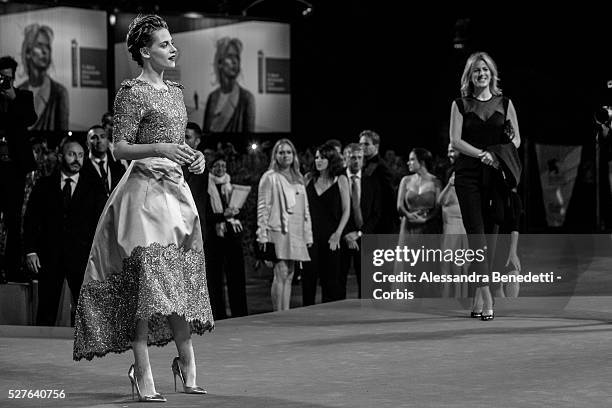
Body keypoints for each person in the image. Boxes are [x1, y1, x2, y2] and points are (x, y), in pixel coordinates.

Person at [72, 15, 213, 402]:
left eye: (172, 42)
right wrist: (161, 149)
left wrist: (193, 158)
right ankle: (142, 370)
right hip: (144, 195)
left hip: (176, 194)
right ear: (145, 51)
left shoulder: (175, 91)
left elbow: (177, 146)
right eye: (165, 43)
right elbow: (119, 148)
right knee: (146, 284)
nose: (173, 48)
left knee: (177, 281)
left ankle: (186, 365)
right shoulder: (131, 92)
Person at [449, 51, 521, 321]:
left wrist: (499, 153)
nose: (482, 74)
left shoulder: (505, 103)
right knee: (477, 237)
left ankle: (478, 298)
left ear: (492, 74)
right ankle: (488, 295)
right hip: (468, 177)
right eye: (477, 70)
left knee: (490, 239)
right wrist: (483, 155)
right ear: (470, 75)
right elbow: (455, 140)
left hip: (496, 178)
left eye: (486, 70)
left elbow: (516, 140)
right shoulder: (460, 104)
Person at [23, 137, 104, 325]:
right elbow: (31, 220)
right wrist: (30, 251)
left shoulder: (93, 187)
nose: (77, 159)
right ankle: (42, 348)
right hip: (49, 256)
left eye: (81, 155)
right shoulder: (44, 185)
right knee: (46, 309)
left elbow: (100, 223)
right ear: (60, 156)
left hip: (83, 256)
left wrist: (98, 255)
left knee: (87, 309)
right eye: (71, 154)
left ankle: (90, 348)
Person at [256, 138, 312, 311]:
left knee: (290, 274)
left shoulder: (299, 177)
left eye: (288, 152)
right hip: (278, 230)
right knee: (280, 273)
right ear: (275, 156)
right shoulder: (269, 177)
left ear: (293, 155)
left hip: (296, 231)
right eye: (281, 152)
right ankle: (277, 313)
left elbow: (306, 209)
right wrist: (262, 234)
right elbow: (263, 206)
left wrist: (308, 234)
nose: (285, 155)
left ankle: (286, 312)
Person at [0, 56, 37, 282]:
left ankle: (13, 267)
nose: (5, 82)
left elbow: (30, 119)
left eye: (8, 78)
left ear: (14, 77)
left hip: (15, 167)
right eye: (1, 77)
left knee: (14, 219)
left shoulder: (23, 96)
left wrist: (13, 99)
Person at [302, 142, 350, 305]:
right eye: (316, 157)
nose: (318, 160)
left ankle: (330, 320)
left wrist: (338, 234)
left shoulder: (341, 179)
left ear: (331, 159)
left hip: (331, 236)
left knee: (331, 281)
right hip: (310, 237)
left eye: (323, 157)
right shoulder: (308, 178)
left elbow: (346, 211)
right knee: (308, 279)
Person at [204, 154, 248, 318]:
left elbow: (241, 212)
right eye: (217, 165)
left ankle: (240, 313)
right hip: (215, 238)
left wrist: (237, 212)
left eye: (223, 165)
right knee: (215, 279)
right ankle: (218, 315)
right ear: (211, 168)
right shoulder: (207, 188)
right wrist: (224, 215)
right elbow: (206, 215)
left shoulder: (231, 186)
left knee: (236, 276)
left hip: (232, 236)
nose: (221, 168)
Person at [340, 143, 382, 299]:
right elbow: (333, 213)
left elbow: (376, 213)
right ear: (345, 159)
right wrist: (345, 234)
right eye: (352, 158)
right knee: (338, 281)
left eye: (359, 158)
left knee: (366, 283)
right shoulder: (338, 180)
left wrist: (359, 233)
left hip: (363, 237)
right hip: (342, 238)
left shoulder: (371, 182)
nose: (356, 161)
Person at [18, 23, 68, 131]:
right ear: (28, 52)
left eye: (48, 47)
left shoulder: (59, 93)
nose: (45, 51)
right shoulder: (18, 91)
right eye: (39, 45)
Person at [203, 37, 255, 134]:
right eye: (230, 56)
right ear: (220, 63)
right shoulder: (212, 98)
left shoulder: (247, 98)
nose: (235, 61)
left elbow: (249, 138)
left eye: (237, 57)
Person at [438, 144, 469, 298]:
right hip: (449, 224)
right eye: (448, 150)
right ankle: (448, 296)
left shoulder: (468, 172)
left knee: (461, 266)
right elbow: (441, 201)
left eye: (452, 150)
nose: (449, 153)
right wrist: (450, 184)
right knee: (447, 265)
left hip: (463, 224)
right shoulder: (448, 173)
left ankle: (461, 296)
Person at [397, 148, 441, 236]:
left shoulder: (436, 181)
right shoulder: (405, 180)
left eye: (412, 159)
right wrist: (408, 215)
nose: (408, 163)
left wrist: (426, 219)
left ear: (422, 162)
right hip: (408, 225)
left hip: (428, 226)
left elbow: (438, 207)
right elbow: (399, 206)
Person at [359, 130, 397, 233]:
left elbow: (390, 197)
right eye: (360, 144)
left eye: (366, 144)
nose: (362, 147)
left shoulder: (381, 167)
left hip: (381, 225)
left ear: (376, 146)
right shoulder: (363, 165)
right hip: (367, 222)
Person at [82, 125, 126, 198]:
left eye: (102, 136)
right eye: (94, 137)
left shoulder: (119, 168)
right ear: (87, 144)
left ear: (108, 141)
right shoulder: (81, 168)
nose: (99, 140)